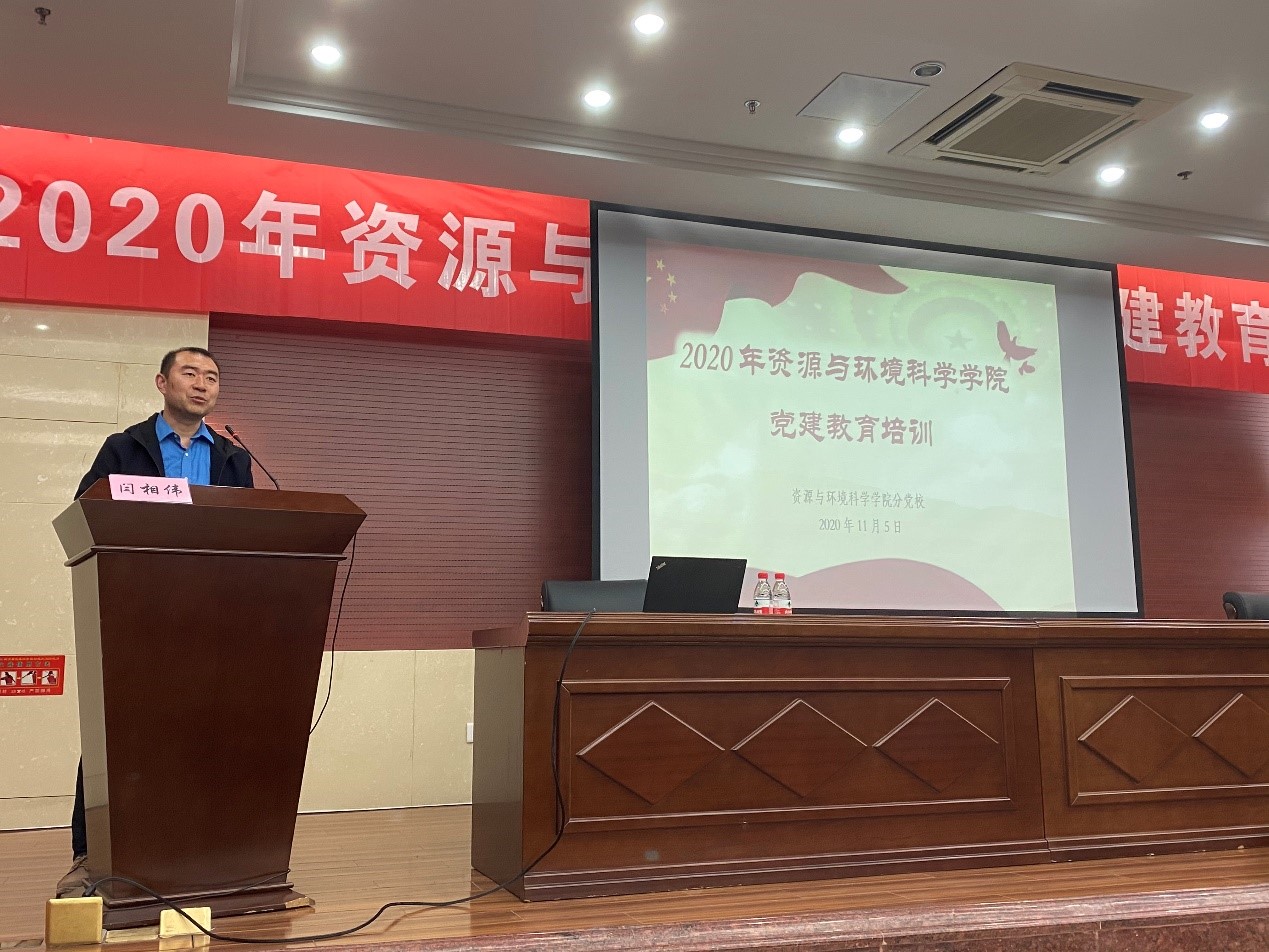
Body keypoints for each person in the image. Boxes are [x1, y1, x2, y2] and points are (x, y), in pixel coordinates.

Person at [61, 346, 253, 889]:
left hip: (211, 612)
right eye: (189, 373)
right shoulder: (124, 447)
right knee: (114, 729)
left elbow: (251, 529)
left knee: (204, 727)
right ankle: (90, 852)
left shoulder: (234, 458)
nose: (202, 384)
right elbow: (86, 511)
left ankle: (199, 845)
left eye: (211, 376)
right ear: (162, 383)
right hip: (136, 607)